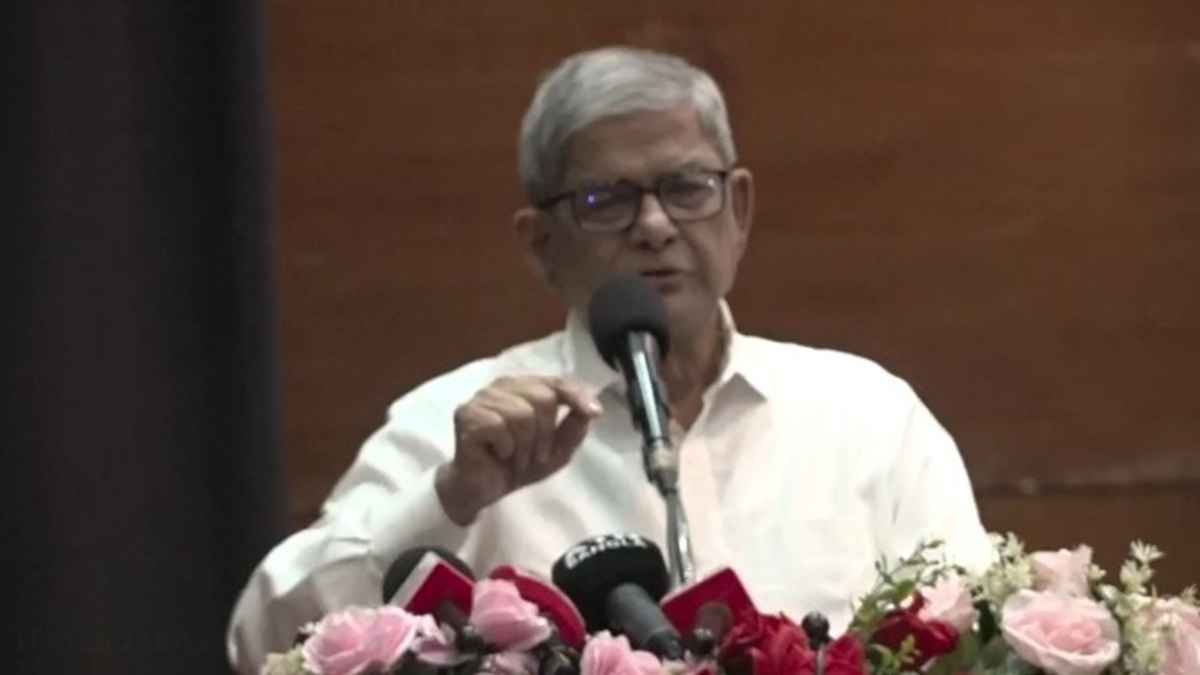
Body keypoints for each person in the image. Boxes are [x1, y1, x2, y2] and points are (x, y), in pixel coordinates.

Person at [227, 46, 992, 673]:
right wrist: (451, 496)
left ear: (739, 211)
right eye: (606, 201)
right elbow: (263, 637)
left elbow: (981, 642)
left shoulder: (867, 416)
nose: (655, 225)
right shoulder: (454, 429)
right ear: (541, 244)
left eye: (687, 187)